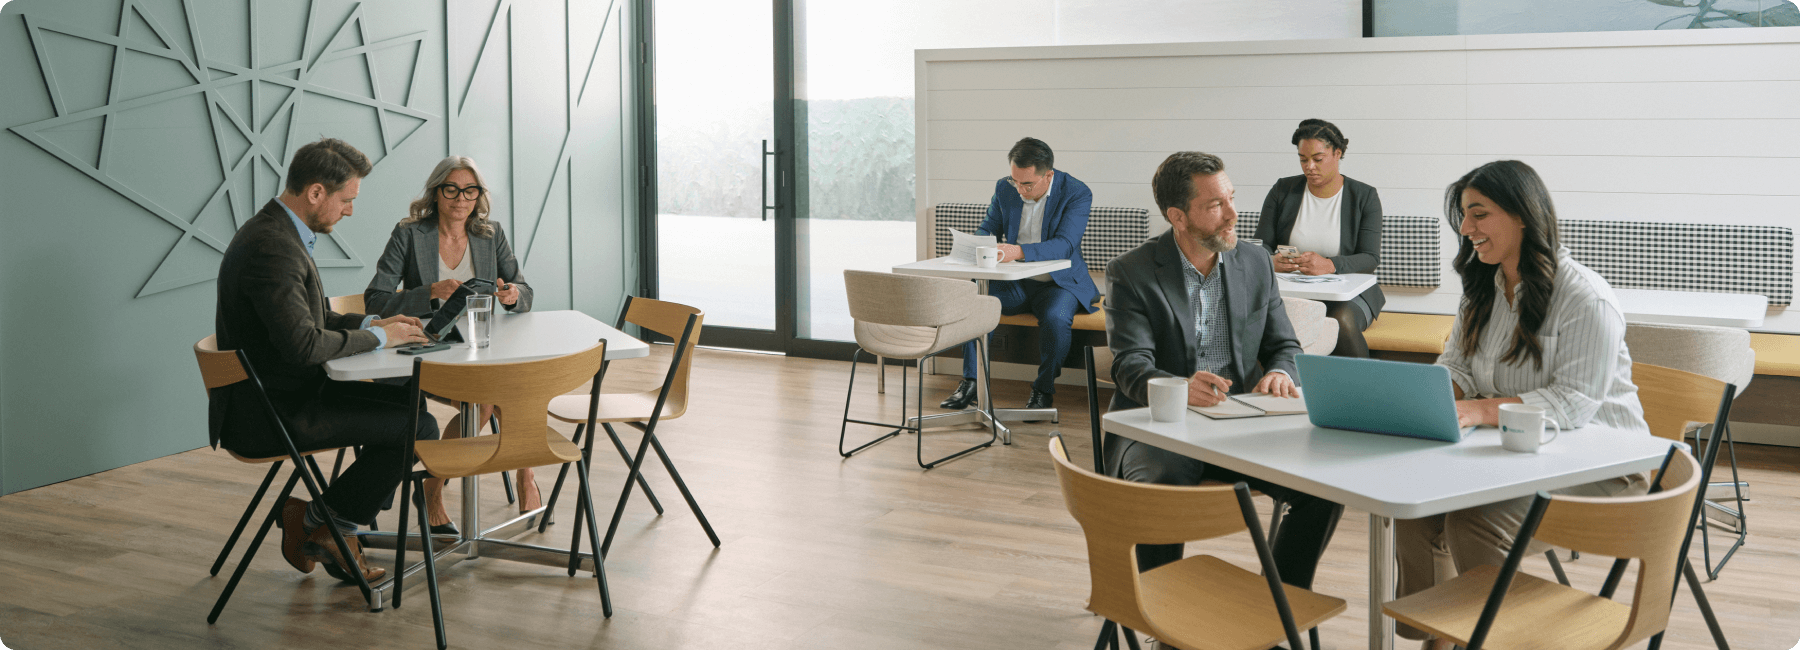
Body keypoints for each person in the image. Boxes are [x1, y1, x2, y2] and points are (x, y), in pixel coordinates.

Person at [1397, 160, 1650, 649]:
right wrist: (1431, 398)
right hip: (1519, 459)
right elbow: (1459, 368)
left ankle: (1501, 639)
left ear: (1522, 217)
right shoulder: (1483, 289)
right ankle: (1438, 636)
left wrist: (1478, 410)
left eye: (1479, 214)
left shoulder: (1585, 299)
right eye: (1464, 217)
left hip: (1606, 472)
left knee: (1473, 523)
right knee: (1416, 511)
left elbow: (1572, 403)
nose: (1466, 229)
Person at [1104, 151, 1344, 598]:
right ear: (1178, 215)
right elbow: (1129, 364)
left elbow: (1284, 345)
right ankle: (1162, 616)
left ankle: (1278, 604)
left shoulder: (1254, 262)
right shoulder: (1131, 272)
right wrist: (1178, 386)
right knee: (1161, 490)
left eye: (1232, 198)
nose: (1234, 214)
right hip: (1160, 427)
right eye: (1216, 205)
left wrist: (1278, 371)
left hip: (1241, 422)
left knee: (1323, 486)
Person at [210, 138, 442, 584]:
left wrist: (378, 321)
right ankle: (328, 524)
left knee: (409, 407)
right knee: (418, 425)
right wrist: (378, 337)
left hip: (285, 393)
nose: (350, 210)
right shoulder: (272, 247)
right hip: (270, 412)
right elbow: (303, 345)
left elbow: (310, 320)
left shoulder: (278, 232)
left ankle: (324, 519)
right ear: (316, 192)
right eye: (347, 199)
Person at [364, 156, 541, 518]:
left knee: (514, 386)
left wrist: (512, 296)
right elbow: (376, 300)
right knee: (490, 399)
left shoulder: (490, 234)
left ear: (479, 196)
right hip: (428, 350)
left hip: (479, 348)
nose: (461, 198)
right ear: (437, 191)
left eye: (470, 190)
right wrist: (430, 291)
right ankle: (434, 489)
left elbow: (524, 290)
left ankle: (524, 477)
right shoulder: (409, 233)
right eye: (452, 189)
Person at [939, 137, 1099, 412]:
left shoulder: (1076, 192)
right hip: (1015, 282)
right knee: (976, 300)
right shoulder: (1005, 187)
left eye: (1027, 184)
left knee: (1056, 319)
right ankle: (971, 383)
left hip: (1059, 284)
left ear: (1048, 175)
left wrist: (1018, 251)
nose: (1020, 190)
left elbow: (1065, 244)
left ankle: (1043, 390)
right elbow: (989, 226)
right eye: (1016, 181)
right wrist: (977, 243)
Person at [1253, 118, 1384, 358]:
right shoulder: (1282, 190)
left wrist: (1330, 264)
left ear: (1337, 153)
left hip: (1349, 297)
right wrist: (1270, 261)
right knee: (1261, 318)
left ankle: (1365, 390)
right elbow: (1261, 246)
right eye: (1303, 159)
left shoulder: (1364, 196)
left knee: (1340, 320)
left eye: (1317, 159)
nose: (1309, 166)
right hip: (1290, 293)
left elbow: (1370, 258)